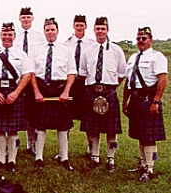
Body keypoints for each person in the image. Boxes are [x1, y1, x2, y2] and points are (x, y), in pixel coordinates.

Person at [0, 22, 34, 172]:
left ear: (14, 36)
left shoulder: (21, 54)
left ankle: (11, 160)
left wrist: (16, 93)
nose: (7, 37)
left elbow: (27, 74)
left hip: (13, 91)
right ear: (0, 35)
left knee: (12, 129)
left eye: (10, 35)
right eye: (4, 34)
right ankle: (0, 159)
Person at [79, 17, 126, 172]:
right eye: (98, 28)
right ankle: (95, 157)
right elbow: (83, 73)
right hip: (92, 91)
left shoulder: (116, 50)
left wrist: (110, 89)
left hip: (109, 91)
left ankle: (111, 158)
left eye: (103, 29)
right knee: (93, 128)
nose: (100, 32)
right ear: (94, 30)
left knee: (111, 129)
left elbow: (121, 73)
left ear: (107, 30)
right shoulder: (88, 51)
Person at [30, 18, 76, 171]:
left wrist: (66, 91)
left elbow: (71, 72)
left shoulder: (66, 49)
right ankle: (39, 158)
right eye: (47, 30)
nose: (50, 32)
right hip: (42, 88)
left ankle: (64, 158)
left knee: (62, 127)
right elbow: (32, 73)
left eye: (52, 30)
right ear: (44, 31)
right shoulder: (36, 49)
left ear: (57, 31)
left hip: (60, 89)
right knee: (40, 126)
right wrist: (36, 92)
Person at [123, 27, 168, 182]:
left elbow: (162, 80)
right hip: (135, 100)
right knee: (140, 134)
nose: (140, 41)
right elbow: (128, 82)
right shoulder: (133, 57)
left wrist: (156, 101)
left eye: (144, 38)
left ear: (151, 40)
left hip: (149, 99)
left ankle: (150, 167)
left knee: (149, 136)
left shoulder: (157, 57)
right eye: (138, 39)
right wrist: (125, 103)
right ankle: (142, 164)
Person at [54, 15, 95, 160]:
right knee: (66, 119)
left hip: (86, 85)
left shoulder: (92, 43)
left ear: (85, 26)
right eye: (77, 25)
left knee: (88, 118)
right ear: (73, 26)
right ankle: (63, 151)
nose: (79, 28)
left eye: (81, 25)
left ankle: (91, 150)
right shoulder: (66, 44)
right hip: (70, 85)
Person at [13, 6, 45, 156]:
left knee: (32, 112)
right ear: (19, 19)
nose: (26, 20)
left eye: (28, 17)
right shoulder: (14, 35)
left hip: (33, 77)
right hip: (17, 77)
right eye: (23, 17)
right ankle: (13, 143)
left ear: (32, 18)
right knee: (15, 112)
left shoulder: (39, 36)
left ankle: (31, 144)